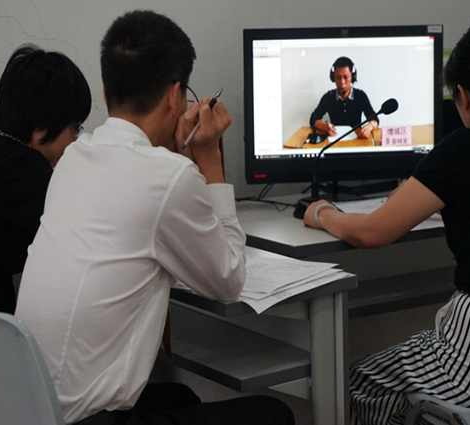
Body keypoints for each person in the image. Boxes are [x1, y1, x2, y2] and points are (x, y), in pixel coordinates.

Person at [15, 11, 294, 425]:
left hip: (32, 407)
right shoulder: (169, 176)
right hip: (87, 420)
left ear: (105, 91)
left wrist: (176, 160)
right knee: (273, 413)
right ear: (174, 96)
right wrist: (209, 158)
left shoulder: (74, 157)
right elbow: (229, 280)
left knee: (181, 396)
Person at [303, 20, 470, 425]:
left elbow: (371, 232)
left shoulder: (460, 151)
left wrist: (321, 212)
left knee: (354, 382)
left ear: (463, 96)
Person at [0, 44, 91, 314]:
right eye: (75, 127)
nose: (75, 140)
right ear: (42, 122)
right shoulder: (27, 170)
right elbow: (84, 245)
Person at [309, 56, 378, 139]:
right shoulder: (329, 96)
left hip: (356, 140)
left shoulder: (360, 96)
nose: (342, 82)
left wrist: (370, 126)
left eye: (346, 77)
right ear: (333, 78)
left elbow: (375, 119)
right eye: (338, 77)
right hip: (335, 140)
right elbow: (313, 118)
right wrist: (324, 127)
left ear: (352, 77)